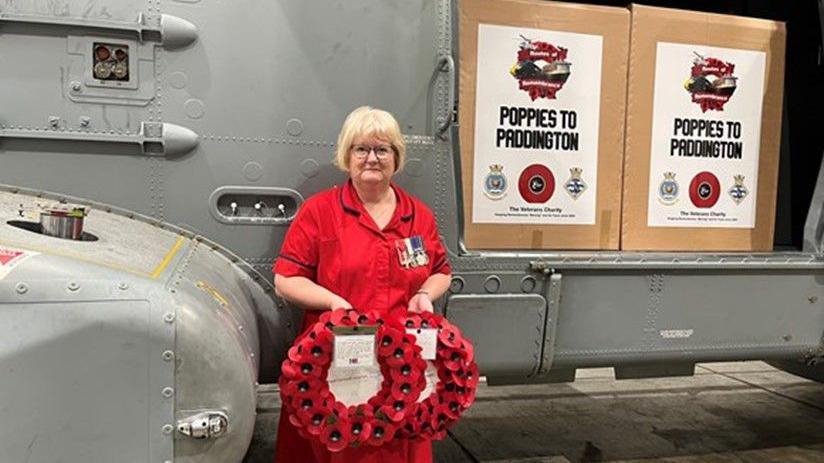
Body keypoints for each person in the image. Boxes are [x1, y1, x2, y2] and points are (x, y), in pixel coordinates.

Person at [273, 106, 452, 463]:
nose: (372, 158)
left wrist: (423, 294)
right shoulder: (320, 211)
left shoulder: (418, 215)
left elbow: (441, 271)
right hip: (336, 364)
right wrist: (335, 303)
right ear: (347, 156)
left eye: (382, 149)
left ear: (396, 157)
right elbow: (285, 279)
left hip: (402, 364)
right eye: (361, 149)